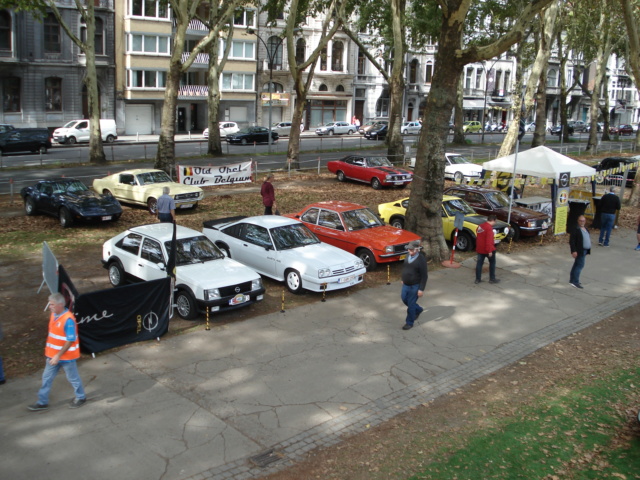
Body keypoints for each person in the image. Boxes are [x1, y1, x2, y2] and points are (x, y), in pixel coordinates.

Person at [28, 293, 86, 411]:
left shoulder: (68, 320)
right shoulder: (54, 314)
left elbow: (70, 340)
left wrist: (58, 355)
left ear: (60, 305)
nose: (50, 306)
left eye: (52, 304)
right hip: (52, 356)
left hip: (66, 357)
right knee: (46, 378)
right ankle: (42, 402)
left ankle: (81, 397)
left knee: (73, 378)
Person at [400, 240, 428, 331]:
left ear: (417, 250)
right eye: (409, 249)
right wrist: (403, 278)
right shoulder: (408, 256)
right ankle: (418, 309)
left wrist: (421, 289)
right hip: (406, 284)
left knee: (411, 305)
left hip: (415, 286)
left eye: (411, 250)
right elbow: (405, 268)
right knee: (404, 299)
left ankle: (409, 322)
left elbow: (424, 276)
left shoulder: (421, 260)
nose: (409, 251)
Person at [475, 214, 500, 284]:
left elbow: (478, 235)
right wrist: (489, 251)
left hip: (480, 249)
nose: (495, 223)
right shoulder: (489, 228)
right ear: (493, 220)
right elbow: (488, 240)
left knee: (479, 264)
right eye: (495, 221)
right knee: (492, 263)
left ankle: (478, 279)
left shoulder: (480, 226)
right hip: (488, 249)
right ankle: (492, 279)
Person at [569, 215, 591, 289]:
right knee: (579, 265)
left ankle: (572, 280)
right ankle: (575, 282)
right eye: (580, 221)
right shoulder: (576, 229)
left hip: (584, 250)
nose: (582, 222)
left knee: (577, 265)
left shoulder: (585, 228)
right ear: (578, 221)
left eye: (583, 221)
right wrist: (573, 251)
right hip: (579, 250)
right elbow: (572, 241)